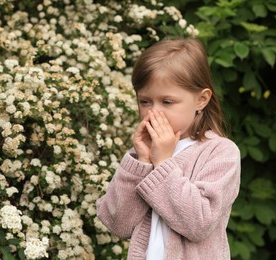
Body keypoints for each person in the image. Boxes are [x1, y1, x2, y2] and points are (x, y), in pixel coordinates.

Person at [96, 38, 241, 259]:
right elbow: (118, 224)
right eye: (145, 102)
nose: (154, 113)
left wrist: (162, 163)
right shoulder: (144, 152)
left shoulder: (221, 153)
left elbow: (199, 223)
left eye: (167, 102)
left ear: (201, 100)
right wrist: (141, 163)